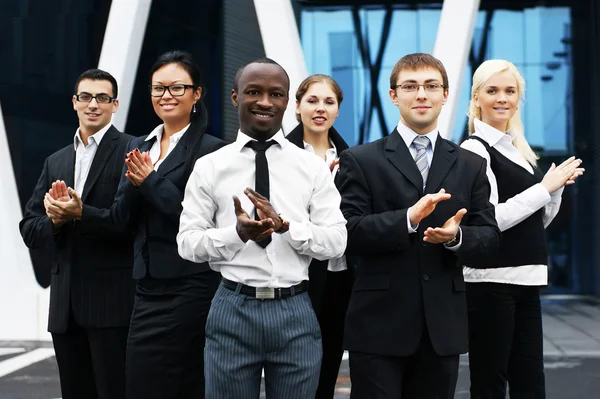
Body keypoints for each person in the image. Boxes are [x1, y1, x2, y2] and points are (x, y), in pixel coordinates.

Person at [44, 50, 225, 398]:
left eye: (176, 88)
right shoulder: (142, 145)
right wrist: (78, 211)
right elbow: (119, 218)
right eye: (159, 88)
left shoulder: (212, 151)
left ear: (197, 94)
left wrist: (151, 180)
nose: (166, 96)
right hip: (145, 290)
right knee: (138, 386)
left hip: (191, 286)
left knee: (186, 384)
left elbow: (198, 219)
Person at [177, 58, 347, 399]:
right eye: (254, 92)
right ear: (235, 97)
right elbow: (187, 243)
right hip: (232, 307)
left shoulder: (310, 167)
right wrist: (235, 234)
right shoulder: (210, 167)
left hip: (295, 308)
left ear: (287, 102)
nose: (265, 102)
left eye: (276, 94)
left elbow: (336, 242)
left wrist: (287, 227)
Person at [335, 52, 501, 399]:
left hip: (441, 328)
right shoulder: (360, 159)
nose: (421, 94)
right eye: (410, 86)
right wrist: (407, 219)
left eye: (430, 86)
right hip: (378, 324)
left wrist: (456, 237)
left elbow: (489, 240)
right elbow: (348, 233)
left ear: (445, 94)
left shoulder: (470, 164)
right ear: (393, 95)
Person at [460, 59, 584, 399]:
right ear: (476, 98)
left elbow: (537, 221)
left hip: (526, 279)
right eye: (493, 90)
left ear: (518, 99)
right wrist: (543, 188)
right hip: (490, 283)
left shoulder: (518, 151)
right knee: (490, 383)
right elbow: (489, 220)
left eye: (510, 91)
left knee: (531, 382)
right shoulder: (475, 149)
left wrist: (554, 188)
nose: (502, 98)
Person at [19, 69, 134, 399]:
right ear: (74, 102)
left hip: (113, 304)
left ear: (115, 105)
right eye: (85, 96)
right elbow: (29, 228)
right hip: (65, 307)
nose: (93, 104)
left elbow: (126, 222)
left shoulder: (132, 150)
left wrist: (80, 213)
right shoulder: (56, 161)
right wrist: (56, 220)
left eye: (102, 98)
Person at [285, 74, 351, 399]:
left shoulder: (353, 160)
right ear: (297, 107)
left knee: (327, 371)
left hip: (340, 279)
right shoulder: (279, 155)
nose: (320, 108)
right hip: (295, 279)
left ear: (338, 109)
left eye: (329, 101)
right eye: (312, 100)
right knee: (293, 375)